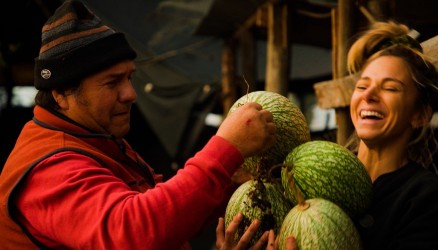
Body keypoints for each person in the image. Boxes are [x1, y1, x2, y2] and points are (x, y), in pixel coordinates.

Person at [0, 1, 276, 249]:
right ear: (61, 94)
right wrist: (224, 150)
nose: (131, 94)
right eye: (112, 82)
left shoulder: (98, 139)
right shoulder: (48, 168)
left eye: (129, 78)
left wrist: (228, 183)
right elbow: (131, 233)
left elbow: (166, 216)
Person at [345, 21, 438, 249]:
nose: (369, 95)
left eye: (390, 88)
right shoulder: (321, 170)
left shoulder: (426, 197)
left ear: (420, 115)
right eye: (362, 87)